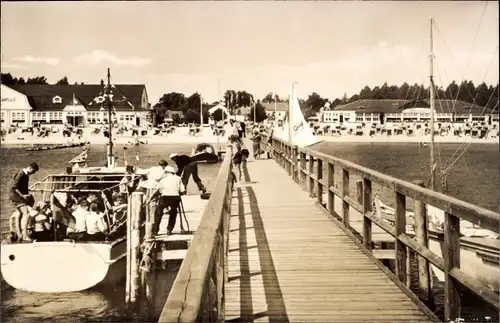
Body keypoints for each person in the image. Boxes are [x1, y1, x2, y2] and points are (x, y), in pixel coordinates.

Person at [10, 162, 39, 241]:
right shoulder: (21, 174)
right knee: (26, 214)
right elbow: (14, 187)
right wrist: (22, 195)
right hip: (16, 197)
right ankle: (25, 235)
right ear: (29, 168)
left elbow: (21, 187)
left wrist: (27, 193)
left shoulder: (25, 175)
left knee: (19, 214)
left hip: (17, 196)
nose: (32, 174)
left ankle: (19, 234)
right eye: (33, 172)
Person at [155, 166, 186, 235]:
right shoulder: (178, 178)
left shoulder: (162, 180)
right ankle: (169, 229)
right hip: (175, 198)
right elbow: (183, 190)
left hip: (165, 197)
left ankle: (155, 230)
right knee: (173, 212)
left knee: (158, 213)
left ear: (167, 172)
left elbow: (159, 190)